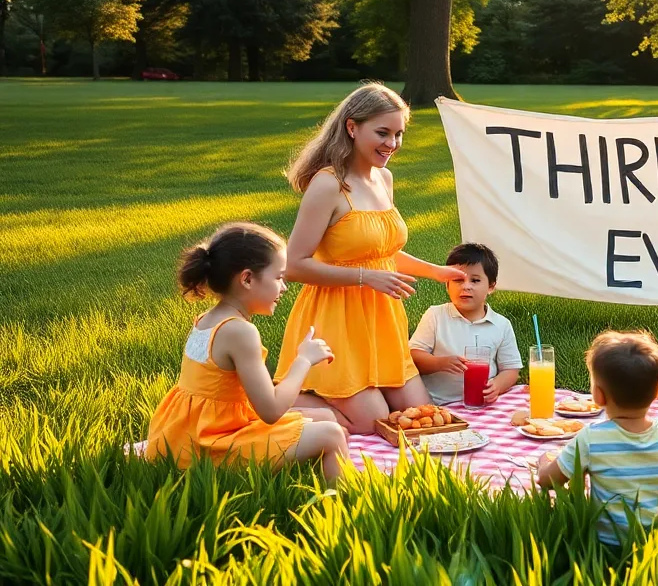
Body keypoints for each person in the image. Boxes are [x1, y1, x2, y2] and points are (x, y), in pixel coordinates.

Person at [275, 83, 467, 434]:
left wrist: (437, 272)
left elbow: (383, 250)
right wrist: (366, 278)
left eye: (398, 134)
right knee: (370, 422)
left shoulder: (384, 178)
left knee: (419, 414)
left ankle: (354, 393)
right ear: (352, 127)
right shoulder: (328, 184)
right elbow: (294, 265)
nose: (391, 144)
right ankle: (275, 398)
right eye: (382, 132)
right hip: (337, 323)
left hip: (381, 321)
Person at [145, 223, 350, 482]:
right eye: (278, 277)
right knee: (330, 434)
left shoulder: (209, 319)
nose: (284, 287)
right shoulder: (240, 333)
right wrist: (304, 360)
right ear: (247, 279)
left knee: (325, 416)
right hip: (208, 449)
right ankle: (344, 503)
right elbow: (272, 410)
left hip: (186, 436)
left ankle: (304, 477)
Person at [537, 330, 658, 545]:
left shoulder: (591, 439)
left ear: (598, 396)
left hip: (606, 548)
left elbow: (548, 481)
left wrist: (543, 462)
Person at [409, 243, 522, 406]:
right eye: (457, 280)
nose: (466, 286)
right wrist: (440, 363)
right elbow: (414, 355)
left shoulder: (501, 325)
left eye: (475, 280)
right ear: (447, 284)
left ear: (491, 286)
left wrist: (497, 385)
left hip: (481, 402)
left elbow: (511, 369)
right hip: (437, 403)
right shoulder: (435, 315)